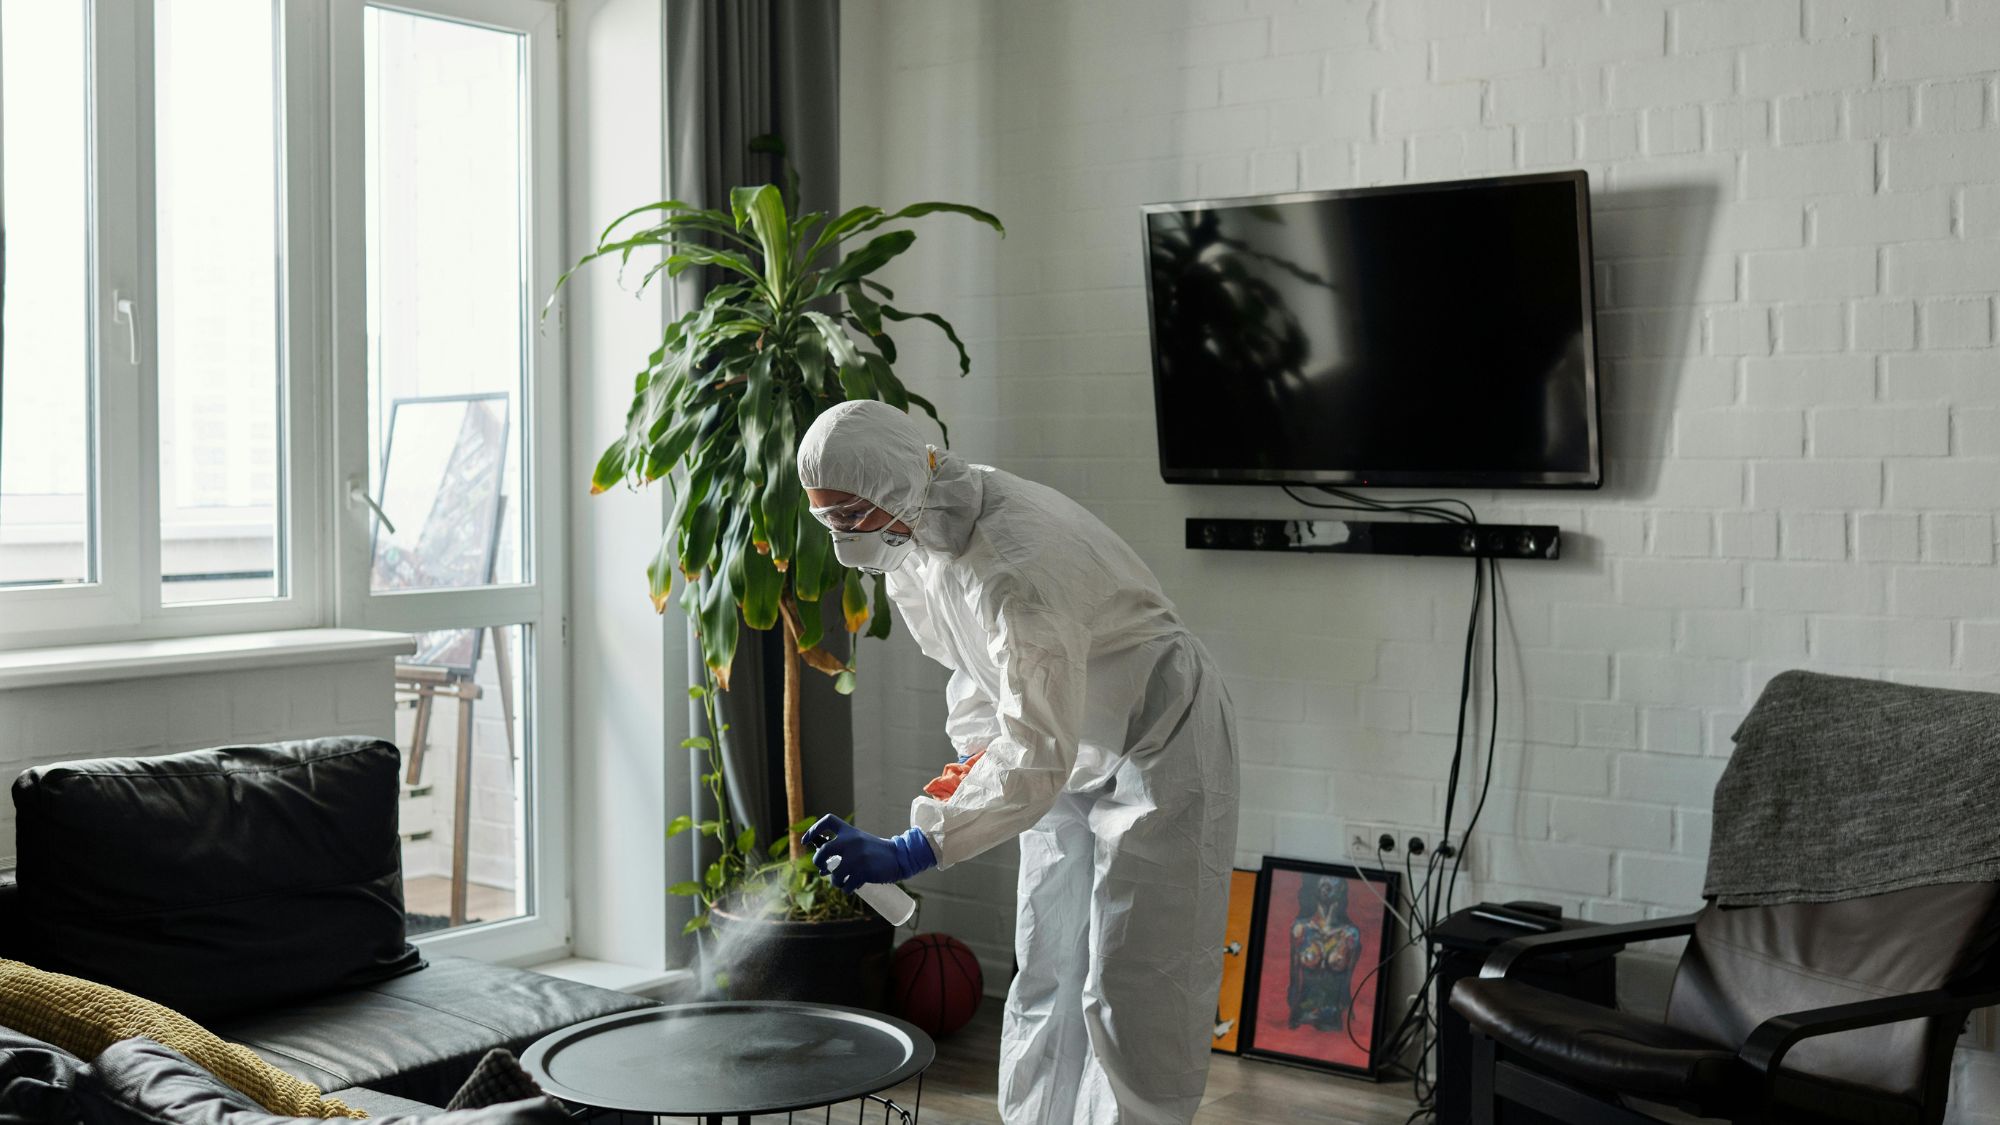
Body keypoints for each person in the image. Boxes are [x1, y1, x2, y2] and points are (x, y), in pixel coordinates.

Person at [795, 400, 1240, 1125]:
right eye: (828, 523)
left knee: (1133, 983)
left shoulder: (1015, 564)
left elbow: (1034, 749)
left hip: (1158, 736)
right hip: (1066, 744)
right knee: (1047, 959)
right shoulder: (920, 545)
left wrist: (917, 844)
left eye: (849, 520)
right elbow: (982, 686)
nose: (844, 543)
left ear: (894, 488)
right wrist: (954, 787)